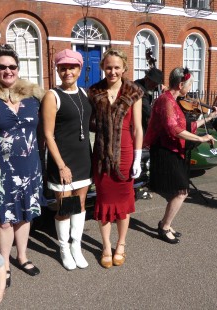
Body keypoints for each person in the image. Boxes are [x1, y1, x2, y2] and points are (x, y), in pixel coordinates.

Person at [0, 44, 46, 285]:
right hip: (0, 169)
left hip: (30, 165)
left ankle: (22, 256)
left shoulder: (33, 97)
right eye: (2, 67)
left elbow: (46, 130)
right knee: (5, 220)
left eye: (12, 66)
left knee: (25, 216)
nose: (8, 71)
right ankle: (2, 263)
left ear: (18, 68)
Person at [144, 67, 217, 244]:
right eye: (189, 84)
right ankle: (164, 227)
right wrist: (201, 138)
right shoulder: (166, 100)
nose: (190, 88)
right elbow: (174, 129)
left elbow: (186, 125)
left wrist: (209, 117)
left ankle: (165, 223)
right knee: (182, 191)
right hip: (165, 151)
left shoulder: (173, 100)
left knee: (178, 191)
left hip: (174, 150)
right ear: (180, 84)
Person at [88, 48, 143, 269]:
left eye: (117, 67)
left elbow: (138, 128)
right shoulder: (93, 91)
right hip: (101, 156)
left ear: (124, 68)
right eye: (109, 67)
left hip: (126, 154)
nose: (113, 71)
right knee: (103, 203)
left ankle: (121, 244)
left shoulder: (133, 91)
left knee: (123, 204)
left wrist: (137, 158)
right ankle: (105, 246)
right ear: (103, 67)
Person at [41, 49, 92, 270]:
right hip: (62, 161)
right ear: (58, 70)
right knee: (64, 207)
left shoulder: (85, 93)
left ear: (80, 69)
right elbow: (48, 135)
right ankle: (63, 247)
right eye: (63, 68)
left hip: (83, 159)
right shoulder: (52, 95)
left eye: (72, 67)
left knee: (80, 205)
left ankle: (76, 246)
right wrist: (61, 166)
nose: (67, 71)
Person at [134, 67, 164, 132]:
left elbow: (154, 88)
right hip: (137, 125)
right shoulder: (139, 89)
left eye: (156, 85)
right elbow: (148, 111)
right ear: (147, 79)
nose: (154, 87)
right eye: (154, 84)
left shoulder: (145, 84)